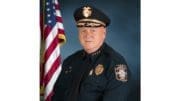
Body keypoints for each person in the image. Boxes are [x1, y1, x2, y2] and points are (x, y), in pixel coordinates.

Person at [52, 4, 132, 101]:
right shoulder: (70, 61)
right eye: (83, 31)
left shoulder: (115, 64)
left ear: (103, 33)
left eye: (93, 30)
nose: (87, 35)